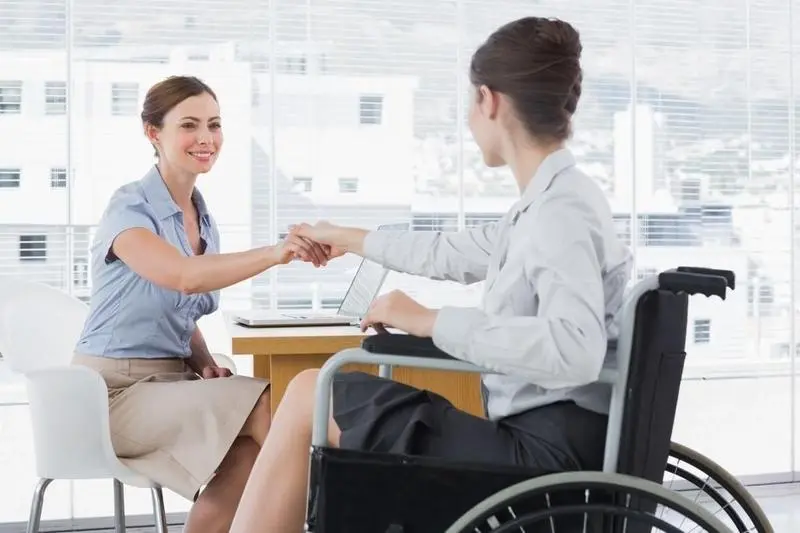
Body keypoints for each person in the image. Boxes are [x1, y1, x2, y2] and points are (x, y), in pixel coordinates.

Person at [229, 15, 634, 533]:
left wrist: (427, 319)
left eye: (470, 104)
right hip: (539, 444)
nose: (469, 119)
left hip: (542, 464)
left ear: (489, 101)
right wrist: (349, 238)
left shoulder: (561, 214)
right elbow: (449, 252)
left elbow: (575, 350)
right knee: (319, 391)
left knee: (315, 390)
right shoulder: (549, 204)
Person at [70, 75, 327, 533]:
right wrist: (277, 252)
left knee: (248, 458)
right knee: (275, 407)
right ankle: (345, 515)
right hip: (109, 394)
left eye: (214, 124)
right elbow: (183, 279)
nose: (206, 138)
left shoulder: (202, 218)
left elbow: (179, 313)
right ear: (154, 133)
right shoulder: (128, 209)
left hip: (171, 383)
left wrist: (205, 362)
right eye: (189, 125)